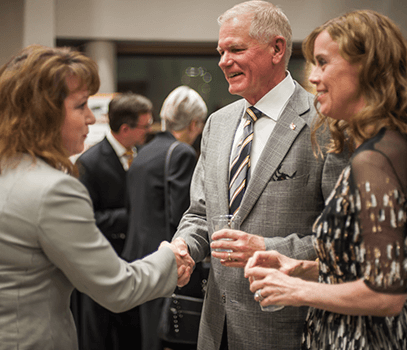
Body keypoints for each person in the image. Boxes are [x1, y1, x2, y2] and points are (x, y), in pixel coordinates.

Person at [0, 44, 194, 350]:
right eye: (81, 106)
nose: (91, 118)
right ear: (42, 112)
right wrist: (171, 257)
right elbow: (119, 288)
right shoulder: (53, 189)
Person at [172, 1, 348, 349]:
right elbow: (199, 214)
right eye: (221, 51)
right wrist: (185, 247)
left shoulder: (326, 123)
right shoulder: (217, 124)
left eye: (236, 49)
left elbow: (340, 241)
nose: (224, 61)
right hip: (214, 328)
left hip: (287, 329)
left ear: (277, 49)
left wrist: (267, 248)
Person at [244, 9, 407, 350]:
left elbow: (387, 293)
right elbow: (364, 267)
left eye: (323, 62)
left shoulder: (374, 160)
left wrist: (296, 291)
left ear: (367, 67)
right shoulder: (387, 146)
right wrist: (299, 267)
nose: (313, 77)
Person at [122, 85, 208, 350]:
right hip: (165, 259)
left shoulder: (144, 151)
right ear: (194, 123)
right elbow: (184, 213)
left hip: (136, 257)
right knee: (168, 338)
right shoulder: (181, 153)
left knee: (147, 337)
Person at [72, 92, 153, 350]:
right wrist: (133, 216)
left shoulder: (142, 155)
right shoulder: (89, 163)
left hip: (137, 261)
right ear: (125, 128)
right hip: (105, 263)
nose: (149, 132)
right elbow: (87, 219)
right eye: (145, 126)